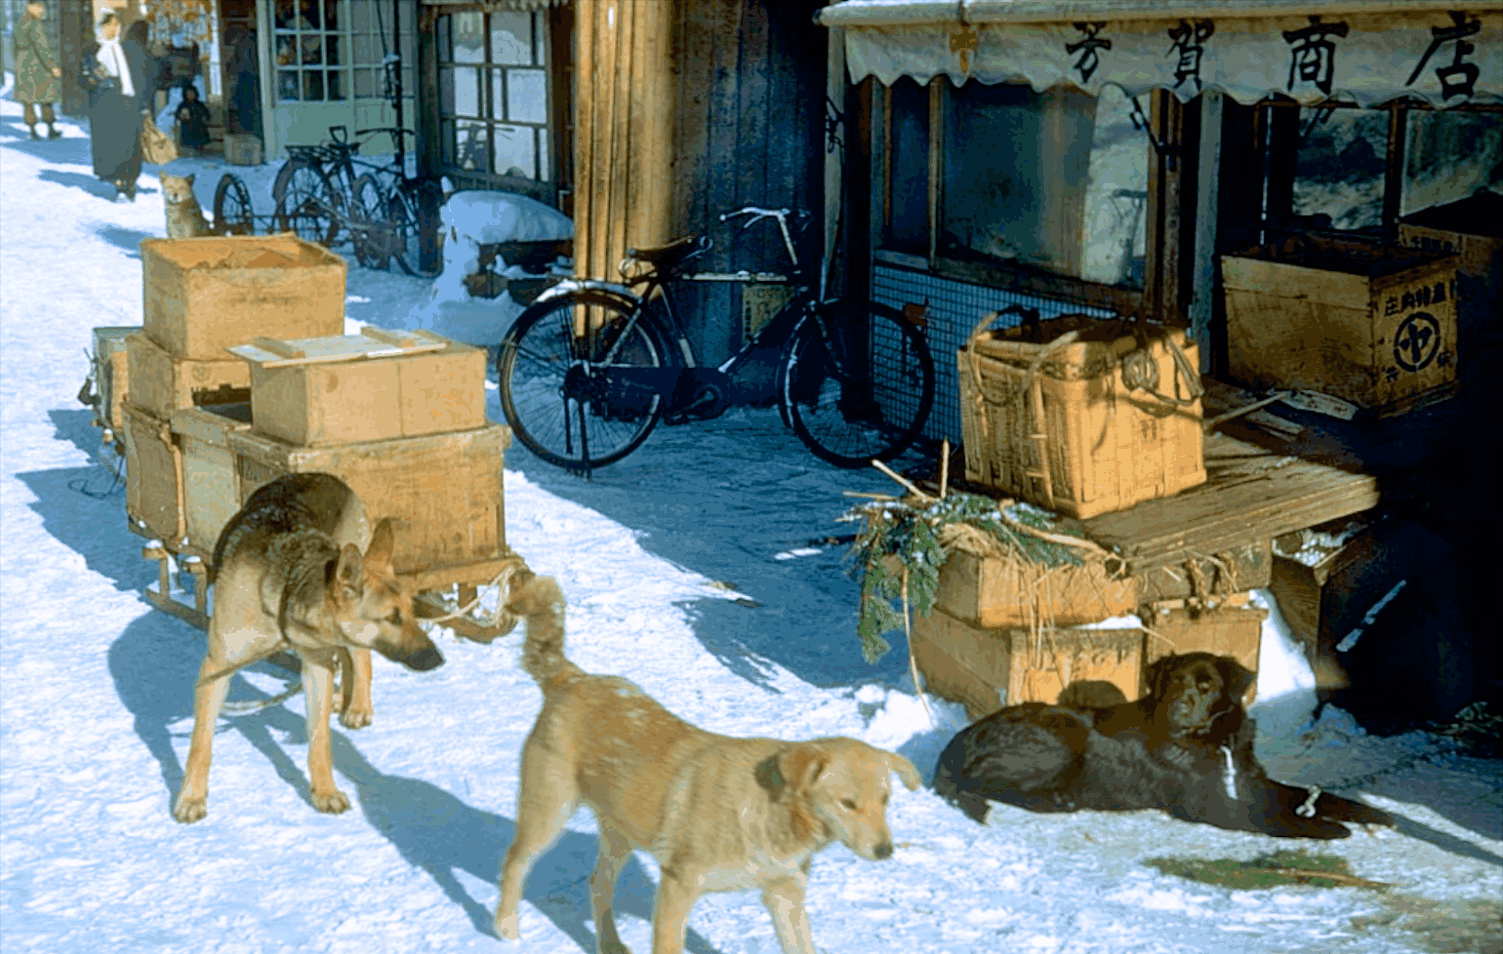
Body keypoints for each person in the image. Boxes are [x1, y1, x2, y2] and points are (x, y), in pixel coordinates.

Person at [83, 11, 153, 201]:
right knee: (111, 145)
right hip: (104, 104)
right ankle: (118, 183)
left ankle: (130, 179)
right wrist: (96, 80)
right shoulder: (92, 49)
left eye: (115, 25)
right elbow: (83, 78)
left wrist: (143, 102)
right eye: (108, 25)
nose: (112, 29)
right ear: (100, 27)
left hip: (127, 100)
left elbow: (140, 76)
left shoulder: (127, 48)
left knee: (130, 143)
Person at [14, 0, 63, 140]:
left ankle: (32, 130)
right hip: (37, 65)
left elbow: (14, 45)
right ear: (30, 6)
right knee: (46, 97)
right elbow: (43, 47)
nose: (42, 10)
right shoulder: (35, 24)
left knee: (27, 100)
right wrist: (52, 66)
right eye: (39, 7)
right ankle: (50, 128)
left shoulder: (20, 23)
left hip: (22, 64)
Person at [175, 82, 210, 155]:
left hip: (199, 127)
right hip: (187, 128)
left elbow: (206, 114)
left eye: (192, 93)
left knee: (199, 129)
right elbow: (177, 116)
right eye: (188, 94)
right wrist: (182, 116)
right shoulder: (183, 105)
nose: (190, 95)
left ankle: (200, 147)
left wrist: (204, 117)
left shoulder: (200, 105)